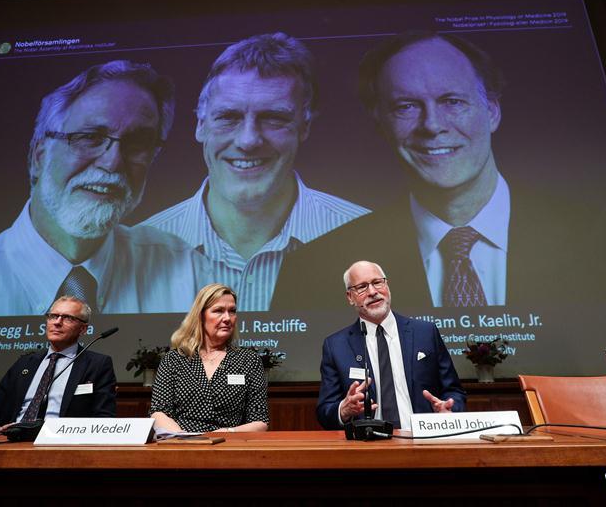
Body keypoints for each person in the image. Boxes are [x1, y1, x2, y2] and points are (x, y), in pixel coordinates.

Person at [0, 60, 198, 318]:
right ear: (38, 156)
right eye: (90, 137)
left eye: (138, 143)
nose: (113, 163)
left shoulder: (187, 273)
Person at [272, 32, 508, 314]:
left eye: (453, 101)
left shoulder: (572, 231)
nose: (432, 125)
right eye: (406, 106)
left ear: (492, 112)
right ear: (380, 124)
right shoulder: (317, 268)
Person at [142, 33, 369, 312]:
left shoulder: (368, 238)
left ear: (305, 126)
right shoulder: (136, 250)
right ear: (200, 125)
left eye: (274, 118)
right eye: (228, 117)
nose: (248, 141)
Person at [317, 261, 465, 431]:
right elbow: (325, 411)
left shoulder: (425, 333)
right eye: (362, 287)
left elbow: (454, 391)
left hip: (423, 439)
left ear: (387, 285)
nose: (373, 292)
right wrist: (343, 411)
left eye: (377, 282)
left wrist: (450, 410)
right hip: (367, 446)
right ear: (350, 297)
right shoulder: (336, 346)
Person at [0, 296, 116, 430]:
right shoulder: (25, 364)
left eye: (68, 318)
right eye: (53, 316)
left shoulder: (97, 365)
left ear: (83, 329)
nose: (57, 322)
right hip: (13, 440)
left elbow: (104, 420)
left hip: (61, 444)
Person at [150, 283, 269, 433]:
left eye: (232, 311)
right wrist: (185, 439)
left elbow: (260, 421)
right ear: (200, 316)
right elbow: (159, 411)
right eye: (218, 311)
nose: (227, 318)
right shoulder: (174, 359)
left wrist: (227, 433)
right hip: (181, 445)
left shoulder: (248, 360)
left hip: (229, 446)